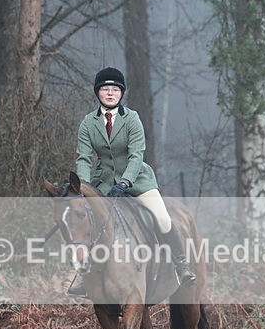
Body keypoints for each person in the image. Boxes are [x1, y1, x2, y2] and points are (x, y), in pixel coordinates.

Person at [68, 67, 195, 296]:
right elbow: (84, 157)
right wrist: (83, 187)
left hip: (137, 181)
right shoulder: (88, 123)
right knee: (89, 223)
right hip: (103, 183)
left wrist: (125, 182)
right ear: (98, 93)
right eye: (105, 89)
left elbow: (137, 155)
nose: (110, 93)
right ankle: (87, 278)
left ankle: (181, 265)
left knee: (163, 218)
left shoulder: (132, 118)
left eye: (114, 90)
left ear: (121, 93)